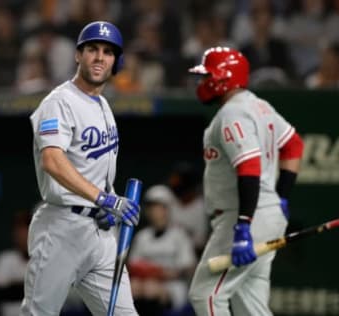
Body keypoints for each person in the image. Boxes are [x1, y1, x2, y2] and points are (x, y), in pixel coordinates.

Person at [20, 21, 141, 316]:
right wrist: (104, 199)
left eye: (108, 52)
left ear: (116, 61)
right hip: (62, 228)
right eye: (92, 49)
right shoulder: (59, 102)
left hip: (99, 233)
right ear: (78, 55)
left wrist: (106, 203)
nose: (100, 57)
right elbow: (53, 160)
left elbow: (96, 168)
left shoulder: (102, 105)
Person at [187, 47, 304, 315]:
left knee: (205, 295)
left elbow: (249, 166)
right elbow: (294, 146)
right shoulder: (260, 106)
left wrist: (243, 226)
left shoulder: (232, 113)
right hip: (265, 215)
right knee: (249, 304)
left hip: (243, 218)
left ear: (223, 77)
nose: (202, 83)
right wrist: (281, 198)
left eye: (207, 76)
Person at [128, 184, 197, 315]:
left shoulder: (179, 234)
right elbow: (133, 264)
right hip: (145, 282)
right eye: (151, 207)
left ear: (167, 209)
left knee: (150, 289)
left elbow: (188, 268)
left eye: (158, 207)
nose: (154, 211)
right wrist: (149, 273)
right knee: (132, 288)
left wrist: (161, 273)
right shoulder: (142, 236)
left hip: (174, 285)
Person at [0, 210, 32, 316]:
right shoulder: (5, 259)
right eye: (18, 230)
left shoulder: (45, 260)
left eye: (25, 229)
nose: (21, 234)